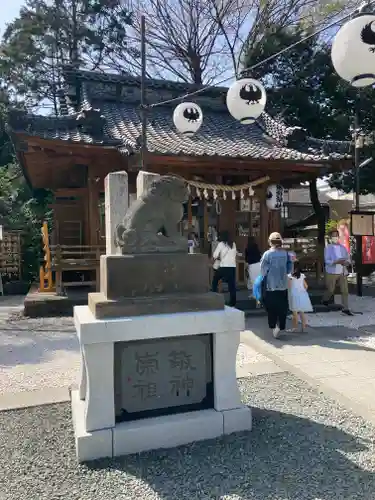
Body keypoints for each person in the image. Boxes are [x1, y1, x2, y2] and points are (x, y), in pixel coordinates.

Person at [260, 232, 292, 339]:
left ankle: (273, 326)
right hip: (283, 285)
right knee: (282, 308)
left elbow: (263, 270)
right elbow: (289, 268)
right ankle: (281, 326)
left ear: (270, 242)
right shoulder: (285, 253)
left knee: (271, 308)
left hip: (271, 285)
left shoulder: (267, 254)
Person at [322, 229, 353, 316]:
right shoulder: (328, 248)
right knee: (331, 289)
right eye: (333, 236)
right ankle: (325, 299)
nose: (335, 237)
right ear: (331, 237)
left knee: (345, 290)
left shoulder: (343, 248)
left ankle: (345, 308)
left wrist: (347, 262)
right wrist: (335, 262)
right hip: (332, 271)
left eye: (336, 235)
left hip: (342, 270)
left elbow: (347, 258)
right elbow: (327, 260)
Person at [212, 230, 237, 307]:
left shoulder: (221, 244)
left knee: (215, 280)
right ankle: (233, 302)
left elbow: (215, 255)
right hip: (232, 267)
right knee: (231, 285)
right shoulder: (233, 244)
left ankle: (213, 296)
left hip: (224, 266)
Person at [288, 261, 313, 332]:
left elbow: (289, 287)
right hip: (302, 294)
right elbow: (306, 286)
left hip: (294, 295)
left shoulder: (290, 276)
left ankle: (294, 328)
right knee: (302, 312)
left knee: (295, 313)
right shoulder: (302, 275)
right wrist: (302, 290)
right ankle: (303, 327)